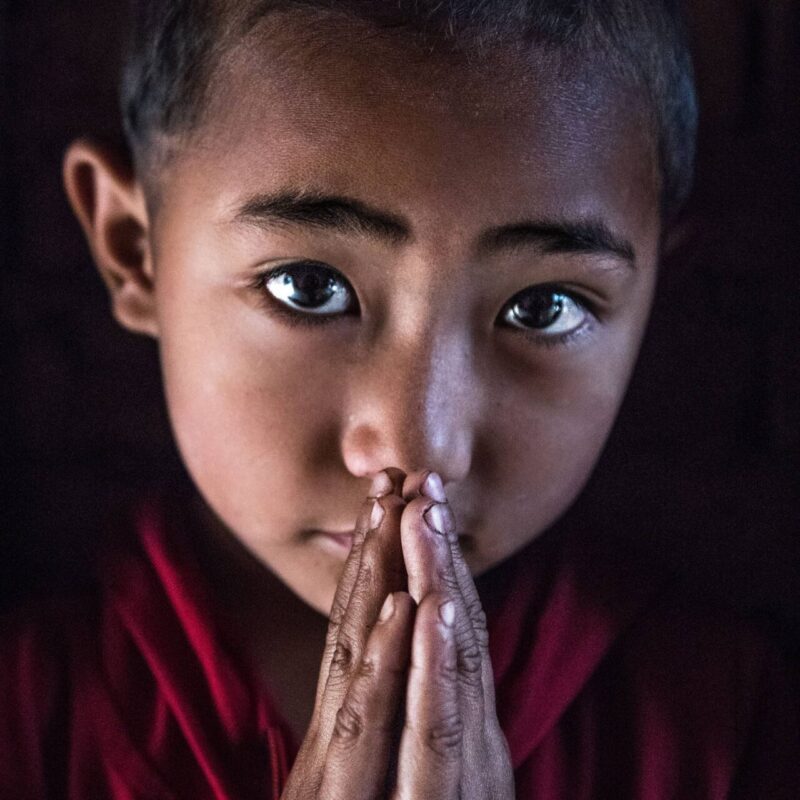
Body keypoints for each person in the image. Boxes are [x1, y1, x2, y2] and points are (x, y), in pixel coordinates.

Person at [2, 0, 798, 797]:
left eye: (543, 307)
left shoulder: (732, 733)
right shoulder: (29, 725)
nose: (422, 449)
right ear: (133, 249)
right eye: (307, 287)